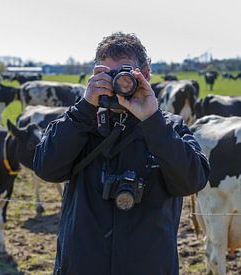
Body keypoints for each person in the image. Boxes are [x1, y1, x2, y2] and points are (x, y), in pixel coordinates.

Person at [34, 32, 210, 275]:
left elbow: (193, 180)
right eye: (108, 74)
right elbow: (46, 168)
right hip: (83, 265)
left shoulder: (168, 127)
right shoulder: (81, 122)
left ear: (145, 75)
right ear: (95, 75)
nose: (117, 83)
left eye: (125, 73)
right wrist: (85, 107)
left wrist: (152, 121)